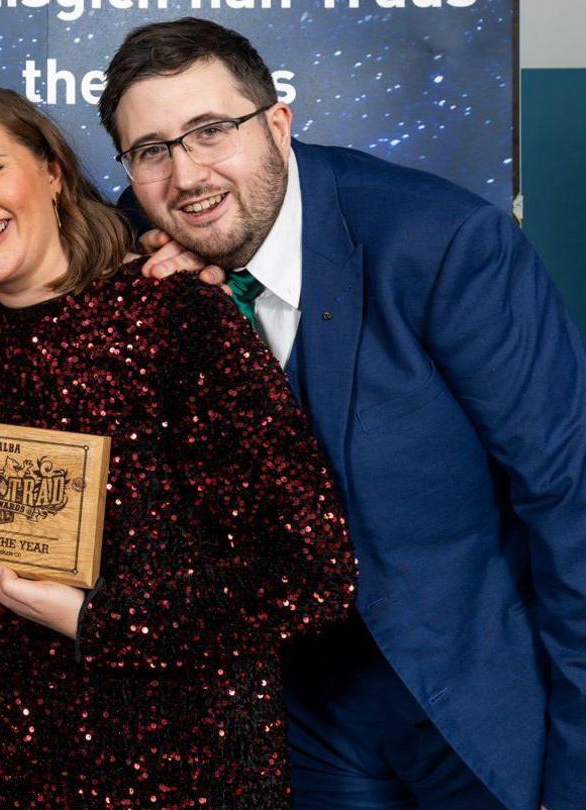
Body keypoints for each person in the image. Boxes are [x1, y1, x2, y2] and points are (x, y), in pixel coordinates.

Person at [99, 18, 586, 810]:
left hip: (467, 696)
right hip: (293, 717)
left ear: (279, 124)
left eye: (211, 131)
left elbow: (570, 502)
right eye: (152, 150)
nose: (186, 175)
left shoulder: (443, 245)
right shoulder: (137, 251)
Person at [0, 85, 355, 808]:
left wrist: (95, 618)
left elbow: (308, 573)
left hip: (173, 777)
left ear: (53, 172)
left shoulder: (179, 315)